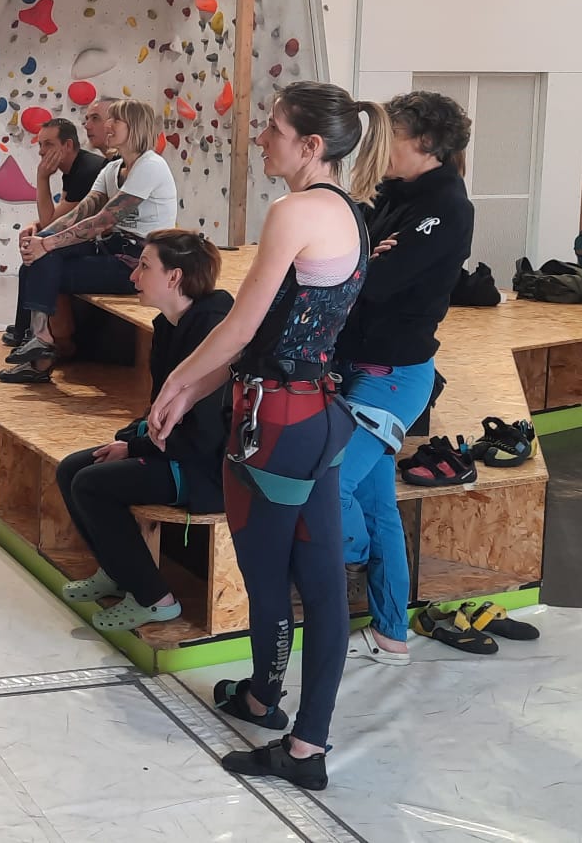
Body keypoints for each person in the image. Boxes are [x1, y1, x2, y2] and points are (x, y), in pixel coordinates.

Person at [144, 81, 389, 792]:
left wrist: (176, 381)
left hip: (273, 425)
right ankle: (285, 721)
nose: (260, 138)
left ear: (310, 145)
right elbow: (278, 338)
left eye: (273, 129)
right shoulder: (350, 212)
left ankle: (288, 729)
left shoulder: (293, 211)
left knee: (268, 580)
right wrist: (193, 388)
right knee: (323, 583)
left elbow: (242, 326)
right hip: (317, 415)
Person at [334, 91, 474, 665]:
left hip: (394, 378)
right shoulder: (391, 194)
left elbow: (372, 283)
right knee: (376, 504)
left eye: (389, 134)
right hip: (356, 366)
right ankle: (392, 633)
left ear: (426, 143)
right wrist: (367, 253)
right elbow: (351, 259)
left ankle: (354, 560)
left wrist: (363, 260)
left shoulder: (447, 206)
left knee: (331, 486)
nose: (376, 145)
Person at [53, 229, 233, 632]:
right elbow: (158, 409)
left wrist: (136, 448)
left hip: (208, 469)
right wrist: (129, 440)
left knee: (91, 484)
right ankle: (118, 572)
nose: (133, 276)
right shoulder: (170, 324)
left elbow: (200, 433)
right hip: (177, 449)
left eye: (144, 267)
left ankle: (156, 600)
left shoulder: (212, 330)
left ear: (175, 277)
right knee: (72, 468)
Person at [0, 98, 178, 383]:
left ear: (134, 127)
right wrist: (42, 238)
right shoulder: (112, 168)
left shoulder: (151, 165)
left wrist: (48, 244)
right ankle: (39, 337)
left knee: (48, 262)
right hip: (111, 248)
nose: (108, 125)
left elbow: (103, 220)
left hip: (139, 263)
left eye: (115, 120)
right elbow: (82, 211)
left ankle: (40, 355)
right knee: (40, 257)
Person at [2, 115, 109, 349]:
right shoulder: (75, 168)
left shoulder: (87, 170)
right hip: (88, 238)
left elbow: (51, 220)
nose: (41, 151)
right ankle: (25, 328)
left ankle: (32, 332)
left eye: (48, 144)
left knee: (37, 259)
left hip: (101, 244)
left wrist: (42, 178)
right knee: (34, 252)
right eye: (40, 145)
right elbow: (59, 217)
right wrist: (37, 226)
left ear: (67, 145)